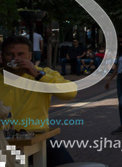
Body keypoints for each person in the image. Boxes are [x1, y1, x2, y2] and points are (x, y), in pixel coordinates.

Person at [1, 35, 77, 166]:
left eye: (20, 54)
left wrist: (37, 74)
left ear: (30, 56)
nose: (15, 59)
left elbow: (70, 93)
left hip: (38, 137)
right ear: (2, 56)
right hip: (4, 140)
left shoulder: (43, 74)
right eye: (9, 54)